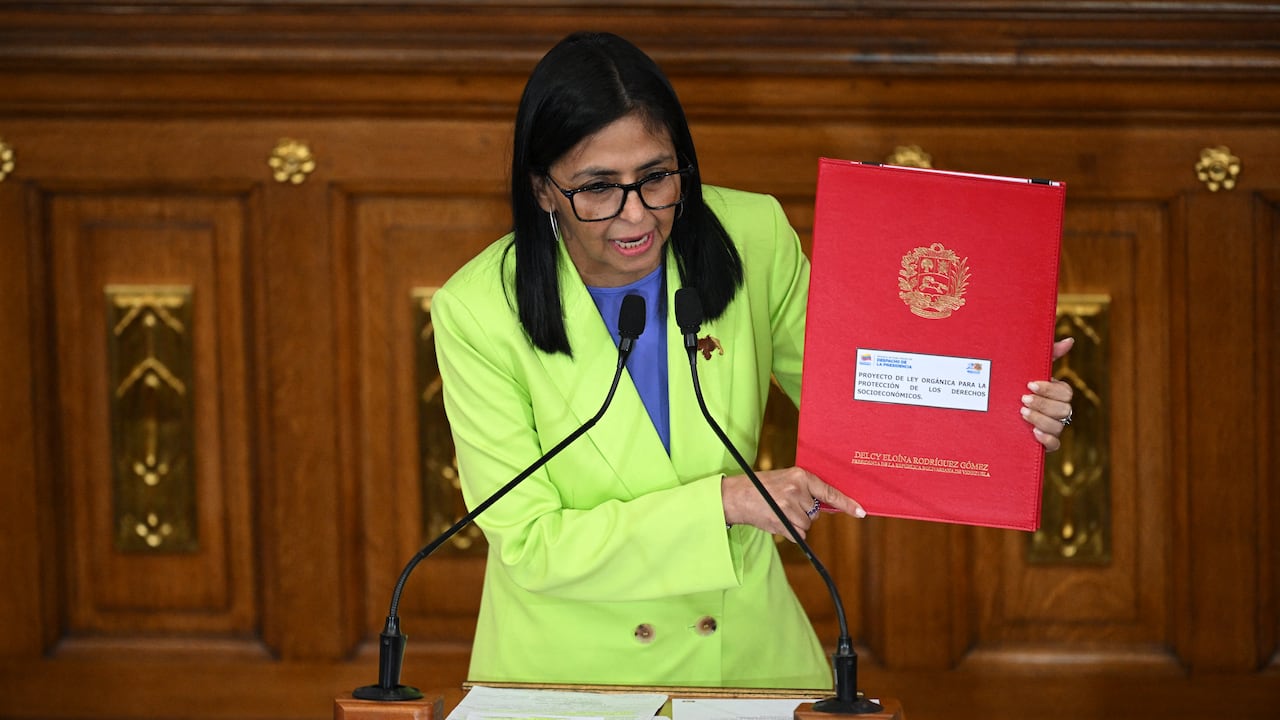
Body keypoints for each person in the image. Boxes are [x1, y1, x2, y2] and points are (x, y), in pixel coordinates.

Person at [431, 31, 1074, 689]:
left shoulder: (751, 236)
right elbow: (533, 544)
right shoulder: (477, 310)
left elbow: (862, 408)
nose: (637, 216)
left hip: (745, 659)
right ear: (542, 189)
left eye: (656, 177)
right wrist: (725, 503)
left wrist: (1000, 408)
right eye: (597, 189)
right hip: (568, 675)